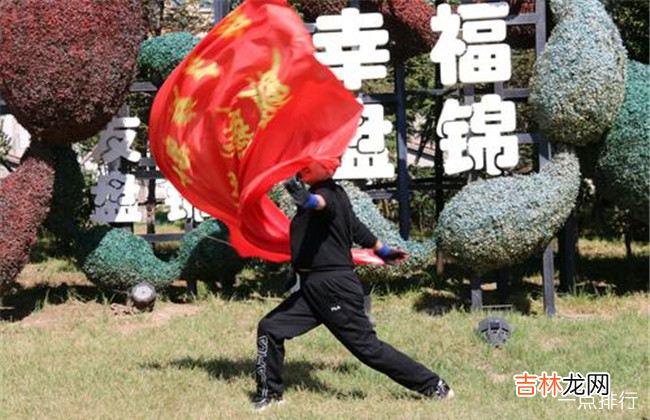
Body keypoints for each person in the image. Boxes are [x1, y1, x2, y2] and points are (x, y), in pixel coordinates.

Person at [253, 159, 453, 410]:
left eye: (310, 164)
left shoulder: (327, 193)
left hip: (334, 288)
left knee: (369, 349)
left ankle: (434, 385)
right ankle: (270, 394)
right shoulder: (335, 195)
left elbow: (319, 204)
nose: (303, 167)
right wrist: (383, 250)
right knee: (270, 327)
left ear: (326, 169)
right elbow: (355, 227)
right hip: (313, 287)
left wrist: (304, 197)